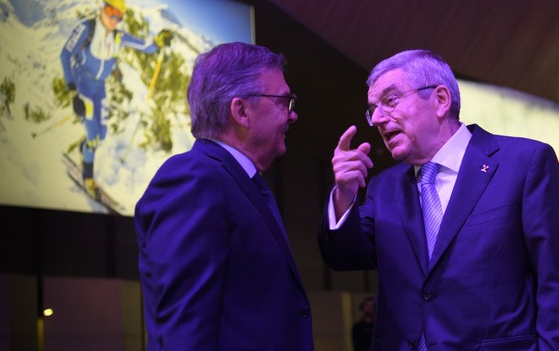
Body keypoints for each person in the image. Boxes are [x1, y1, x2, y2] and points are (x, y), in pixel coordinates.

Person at [318, 49, 559, 350]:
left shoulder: (525, 163)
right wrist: (344, 193)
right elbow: (344, 256)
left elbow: (554, 278)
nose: (377, 118)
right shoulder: (384, 187)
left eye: (390, 101)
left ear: (441, 100)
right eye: (373, 109)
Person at [134, 42, 313, 350]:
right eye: (283, 101)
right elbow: (183, 329)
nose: (292, 115)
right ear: (241, 111)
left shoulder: (233, 181)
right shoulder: (194, 179)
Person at [60, 0, 173, 199]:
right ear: (102, 8)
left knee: (101, 135)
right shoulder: (86, 29)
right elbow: (65, 55)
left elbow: (144, 45)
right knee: (94, 137)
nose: (115, 20)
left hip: (99, 89)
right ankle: (88, 178)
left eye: (120, 16)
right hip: (83, 86)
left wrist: (158, 41)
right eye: (112, 13)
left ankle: (85, 150)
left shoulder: (118, 36)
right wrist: (72, 91)